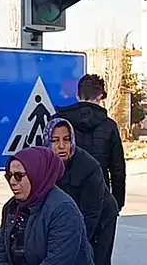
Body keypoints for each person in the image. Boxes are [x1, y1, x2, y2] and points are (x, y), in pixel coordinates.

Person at [44, 117, 118, 265]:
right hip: (70, 217)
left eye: (67, 140)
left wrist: (73, 244)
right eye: (55, 141)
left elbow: (91, 214)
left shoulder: (89, 168)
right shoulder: (44, 164)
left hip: (100, 219)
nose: (62, 146)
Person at [54, 74, 126, 212]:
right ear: (99, 98)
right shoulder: (109, 126)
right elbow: (118, 169)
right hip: (100, 197)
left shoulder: (59, 123)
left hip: (62, 196)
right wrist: (117, 203)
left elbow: (46, 161)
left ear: (77, 96)